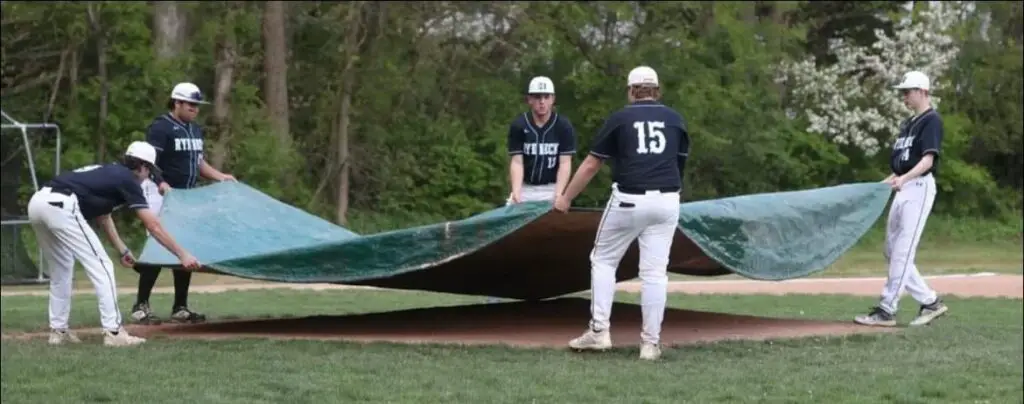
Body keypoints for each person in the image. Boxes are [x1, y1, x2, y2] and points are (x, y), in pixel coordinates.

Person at [553, 66, 690, 361]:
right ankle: (650, 344)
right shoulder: (676, 119)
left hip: (630, 198)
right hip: (668, 199)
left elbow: (591, 165)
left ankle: (599, 331)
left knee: (603, 259)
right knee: (654, 274)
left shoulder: (621, 118)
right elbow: (679, 167)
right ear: (657, 90)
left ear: (631, 91)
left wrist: (566, 197)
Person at [27, 141, 202, 347]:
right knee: (103, 266)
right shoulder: (128, 180)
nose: (149, 175)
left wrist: (122, 249)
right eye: (150, 170)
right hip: (62, 205)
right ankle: (114, 332)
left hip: (38, 203)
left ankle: (58, 332)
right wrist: (182, 254)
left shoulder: (111, 173)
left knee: (62, 270)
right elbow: (153, 225)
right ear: (143, 167)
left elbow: (103, 216)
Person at [130, 82, 235, 325]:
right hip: (159, 193)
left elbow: (198, 163)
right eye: (190, 104)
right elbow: (148, 162)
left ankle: (180, 306)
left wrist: (220, 176)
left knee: (184, 248)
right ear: (176, 102)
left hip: (186, 195)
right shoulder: (161, 128)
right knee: (158, 244)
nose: (194, 109)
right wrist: (161, 182)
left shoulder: (195, 129)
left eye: (197, 105)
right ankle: (141, 305)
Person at [855, 71, 949, 327]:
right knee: (892, 250)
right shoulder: (908, 124)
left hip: (918, 187)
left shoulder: (932, 120)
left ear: (922, 91)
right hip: (904, 187)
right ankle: (930, 302)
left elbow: (927, 160)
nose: (904, 96)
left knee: (902, 251)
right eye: (903, 92)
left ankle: (887, 310)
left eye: (908, 91)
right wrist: (883, 185)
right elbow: (901, 166)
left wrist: (904, 179)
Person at [506, 76, 577, 205]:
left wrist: (559, 193)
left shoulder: (563, 126)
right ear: (529, 100)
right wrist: (516, 191)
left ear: (553, 99)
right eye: (538, 97)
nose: (542, 101)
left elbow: (565, 163)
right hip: (525, 187)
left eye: (546, 97)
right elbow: (517, 162)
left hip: (552, 187)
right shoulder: (519, 125)